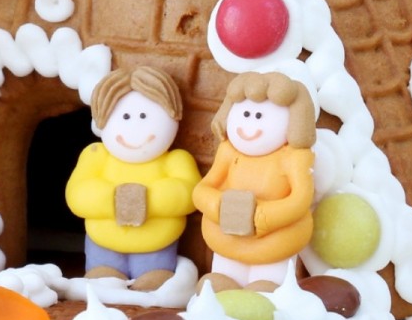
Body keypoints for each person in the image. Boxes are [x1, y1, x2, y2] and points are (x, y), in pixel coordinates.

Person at [64, 65, 200, 291]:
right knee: (102, 281)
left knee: (155, 284)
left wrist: (148, 198)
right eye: (126, 116)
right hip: (104, 245)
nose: (135, 127)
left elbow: (189, 193)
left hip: (156, 247)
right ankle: (105, 274)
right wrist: (113, 198)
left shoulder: (175, 160)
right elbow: (77, 195)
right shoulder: (95, 156)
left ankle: (154, 279)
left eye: (144, 116)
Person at [192, 71, 318, 292]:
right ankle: (225, 283)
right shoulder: (229, 152)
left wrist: (264, 216)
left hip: (274, 243)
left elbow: (301, 199)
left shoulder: (293, 158)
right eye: (245, 113)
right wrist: (218, 206)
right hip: (227, 240)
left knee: (265, 289)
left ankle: (268, 288)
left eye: (259, 116)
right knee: (218, 284)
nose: (249, 123)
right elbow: (203, 189)